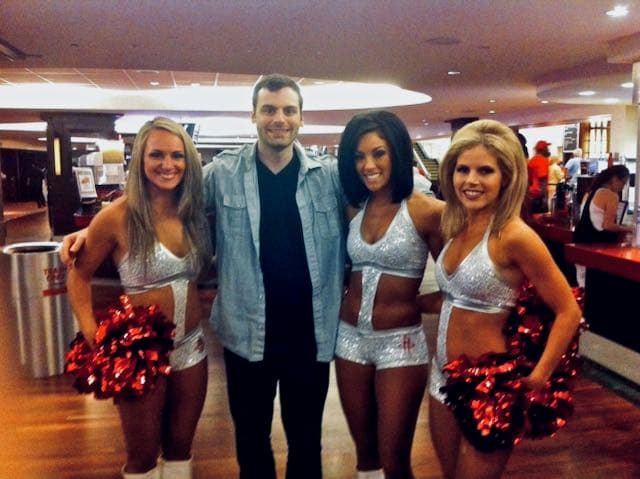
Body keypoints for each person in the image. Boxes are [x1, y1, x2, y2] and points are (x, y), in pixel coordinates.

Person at [61, 74, 347, 478]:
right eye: (269, 109)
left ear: (301, 118)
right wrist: (88, 232)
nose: (278, 119)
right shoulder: (223, 174)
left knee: (306, 442)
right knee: (250, 440)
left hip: (310, 335)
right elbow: (165, 196)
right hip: (246, 334)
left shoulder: (330, 177)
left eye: (288, 110)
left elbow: (386, 198)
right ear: (254, 116)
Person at [426, 119, 582, 478]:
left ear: (506, 177)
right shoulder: (456, 223)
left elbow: (568, 311)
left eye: (485, 171)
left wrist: (538, 376)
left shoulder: (514, 235)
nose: (471, 180)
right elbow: (458, 296)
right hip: (440, 378)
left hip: (489, 386)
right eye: (463, 169)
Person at [66, 117, 212, 479]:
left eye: (177, 155)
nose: (167, 164)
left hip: (191, 348)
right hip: (140, 354)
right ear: (140, 160)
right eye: (157, 155)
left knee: (181, 448)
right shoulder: (117, 216)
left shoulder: (193, 212)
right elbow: (79, 275)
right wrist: (92, 334)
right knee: (143, 457)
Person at [335, 110, 444, 479]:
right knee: (365, 455)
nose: (368, 165)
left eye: (378, 153)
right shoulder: (355, 207)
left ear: (397, 152)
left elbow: (459, 285)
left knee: (394, 458)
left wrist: (416, 304)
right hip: (349, 340)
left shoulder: (427, 211)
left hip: (401, 345)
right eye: (359, 156)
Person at [573, 164, 633, 286]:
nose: (622, 188)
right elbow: (607, 225)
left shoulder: (590, 192)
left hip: (579, 243)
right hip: (595, 246)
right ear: (615, 179)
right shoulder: (611, 195)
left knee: (582, 284)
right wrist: (629, 228)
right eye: (623, 183)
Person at [527, 140, 551, 213]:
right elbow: (542, 181)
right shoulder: (543, 161)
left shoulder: (531, 161)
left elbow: (529, 180)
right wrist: (544, 199)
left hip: (530, 195)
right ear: (544, 149)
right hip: (539, 196)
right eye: (547, 148)